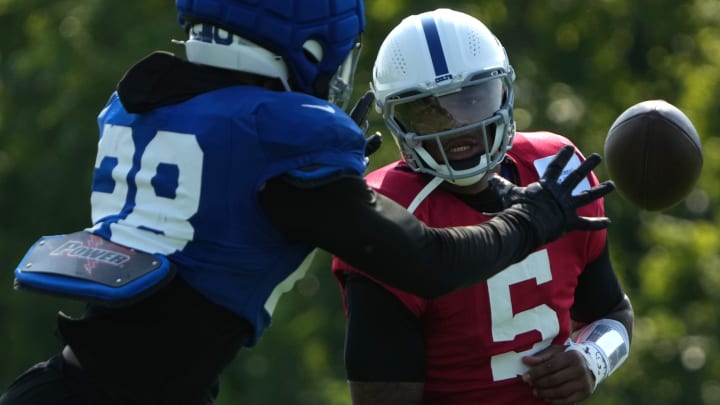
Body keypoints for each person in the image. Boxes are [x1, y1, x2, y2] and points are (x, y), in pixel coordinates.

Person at [0, 2, 615, 404]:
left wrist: (322, 176)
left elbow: (227, 201)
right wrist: (537, 216)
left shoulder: (145, 98)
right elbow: (428, 263)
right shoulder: (278, 135)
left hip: (67, 382)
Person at [332, 8, 634, 405]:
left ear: (504, 92)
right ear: (395, 119)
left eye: (472, 98)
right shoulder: (386, 209)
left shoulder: (554, 166)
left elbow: (612, 312)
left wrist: (593, 358)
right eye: (427, 110)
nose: (456, 126)